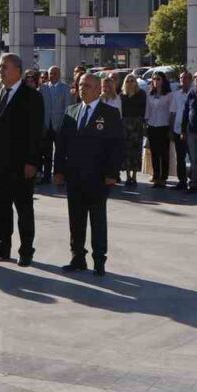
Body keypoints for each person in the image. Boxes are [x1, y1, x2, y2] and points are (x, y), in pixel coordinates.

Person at [55, 72, 125, 276]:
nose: (81, 89)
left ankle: (99, 260)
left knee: (97, 219)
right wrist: (58, 170)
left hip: (99, 176)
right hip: (74, 175)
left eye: (86, 85)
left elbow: (117, 146)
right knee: (75, 219)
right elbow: (61, 144)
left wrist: (112, 173)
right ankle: (77, 257)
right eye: (80, 85)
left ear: (97, 89)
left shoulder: (109, 113)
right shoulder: (71, 111)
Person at [0, 52, 45, 265]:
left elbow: (36, 133)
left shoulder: (31, 96)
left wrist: (33, 162)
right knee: (1, 207)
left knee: (23, 208)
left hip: (20, 164)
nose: (0, 71)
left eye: (4, 67)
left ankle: (26, 250)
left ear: (17, 70)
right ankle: (2, 247)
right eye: (0, 67)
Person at [39, 66, 69, 185]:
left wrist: (62, 125)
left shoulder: (65, 88)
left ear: (59, 75)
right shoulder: (43, 88)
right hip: (47, 124)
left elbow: (67, 108)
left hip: (59, 124)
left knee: (60, 153)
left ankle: (58, 176)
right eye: (51, 73)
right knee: (47, 152)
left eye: (55, 73)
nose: (52, 75)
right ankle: (46, 176)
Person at [144, 73, 174, 187]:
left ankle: (163, 177)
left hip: (164, 125)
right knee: (154, 153)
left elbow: (172, 112)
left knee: (164, 153)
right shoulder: (150, 94)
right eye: (154, 79)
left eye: (158, 79)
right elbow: (147, 110)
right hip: (152, 125)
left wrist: (170, 128)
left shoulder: (169, 95)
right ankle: (156, 175)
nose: (156, 81)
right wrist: (146, 124)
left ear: (163, 81)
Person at [118, 74, 146, 188]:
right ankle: (128, 176)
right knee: (126, 150)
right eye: (128, 81)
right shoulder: (122, 96)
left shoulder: (141, 94)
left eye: (132, 81)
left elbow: (144, 109)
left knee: (136, 150)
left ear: (136, 82)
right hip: (125, 123)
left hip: (137, 124)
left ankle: (134, 176)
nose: (130, 83)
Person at [170, 70, 193, 189]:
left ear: (190, 80)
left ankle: (193, 180)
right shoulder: (176, 94)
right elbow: (173, 113)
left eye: (185, 78)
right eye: (181, 78)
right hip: (178, 130)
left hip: (191, 130)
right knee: (180, 157)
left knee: (193, 157)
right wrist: (171, 129)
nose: (183, 81)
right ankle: (182, 180)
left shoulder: (194, 93)